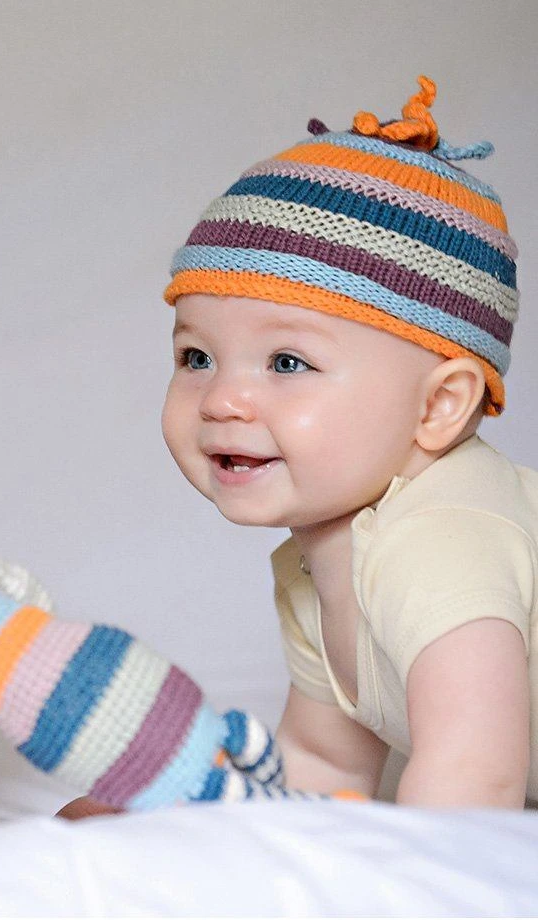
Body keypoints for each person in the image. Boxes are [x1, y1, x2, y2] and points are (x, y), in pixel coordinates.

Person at [160, 77, 536, 807]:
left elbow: (477, 777)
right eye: (196, 358)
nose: (222, 399)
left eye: (288, 363)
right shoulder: (319, 564)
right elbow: (324, 769)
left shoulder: (442, 541)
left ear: (440, 406)